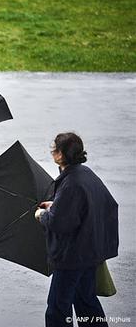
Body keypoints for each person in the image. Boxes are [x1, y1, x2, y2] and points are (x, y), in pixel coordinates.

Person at [35, 132, 118, 327]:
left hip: (71, 257)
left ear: (61, 155)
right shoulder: (85, 174)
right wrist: (55, 204)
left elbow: (60, 224)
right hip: (89, 253)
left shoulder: (71, 183)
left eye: (54, 148)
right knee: (86, 302)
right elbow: (97, 205)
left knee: (57, 309)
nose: (52, 151)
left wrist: (42, 215)